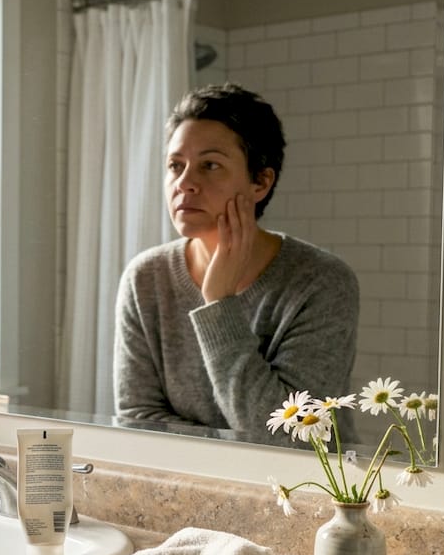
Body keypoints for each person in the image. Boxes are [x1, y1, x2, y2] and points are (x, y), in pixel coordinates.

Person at [114, 83, 359, 441]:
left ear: (260, 182)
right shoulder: (145, 278)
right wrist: (228, 438)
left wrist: (218, 303)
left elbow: (289, 437)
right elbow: (136, 421)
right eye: (175, 165)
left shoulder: (322, 282)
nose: (185, 183)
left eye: (209, 165)